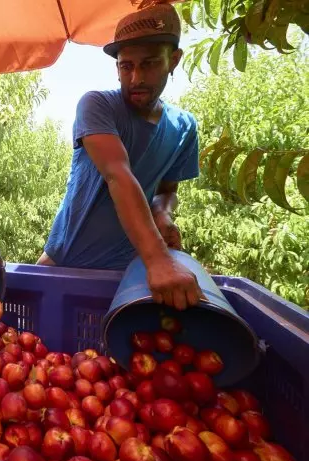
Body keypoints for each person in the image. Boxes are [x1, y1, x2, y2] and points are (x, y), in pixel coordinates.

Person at [39, 4, 204, 311]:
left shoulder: (184, 128)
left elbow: (167, 190)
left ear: (174, 60)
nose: (136, 78)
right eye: (126, 66)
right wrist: (159, 259)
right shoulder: (98, 106)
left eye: (150, 63)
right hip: (62, 266)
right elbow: (117, 173)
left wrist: (163, 214)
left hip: (126, 277)